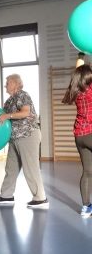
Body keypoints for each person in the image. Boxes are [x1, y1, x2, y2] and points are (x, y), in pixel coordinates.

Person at [0, 74, 48, 208]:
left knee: (30, 168)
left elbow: (26, 112)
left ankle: (40, 198)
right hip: (14, 138)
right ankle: (6, 195)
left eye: (8, 82)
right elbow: (2, 117)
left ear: (15, 83)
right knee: (11, 168)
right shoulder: (9, 100)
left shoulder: (22, 95)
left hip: (28, 135)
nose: (5, 85)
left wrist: (8, 115)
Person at [62, 65, 92, 217]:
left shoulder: (76, 92)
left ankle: (86, 208)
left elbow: (79, 73)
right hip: (90, 133)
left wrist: (80, 58)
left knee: (87, 172)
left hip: (79, 136)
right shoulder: (91, 90)